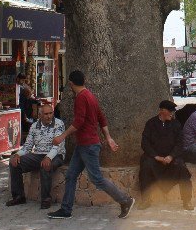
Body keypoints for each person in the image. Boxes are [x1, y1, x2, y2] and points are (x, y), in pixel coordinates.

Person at [47, 70, 135, 220]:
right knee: (71, 175)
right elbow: (102, 118)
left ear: (70, 83)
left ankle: (125, 200)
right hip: (84, 145)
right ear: (84, 81)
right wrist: (108, 138)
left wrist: (62, 136)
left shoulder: (81, 98)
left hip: (88, 145)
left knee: (96, 178)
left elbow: (79, 122)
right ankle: (66, 210)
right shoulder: (91, 96)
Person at [6, 102, 66, 209]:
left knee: (46, 166)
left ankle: (46, 199)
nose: (49, 116)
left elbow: (57, 146)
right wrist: (17, 154)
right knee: (14, 163)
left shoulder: (59, 123)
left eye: (51, 113)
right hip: (38, 154)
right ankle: (18, 196)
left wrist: (48, 157)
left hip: (56, 154)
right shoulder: (34, 126)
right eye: (46, 114)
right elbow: (28, 146)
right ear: (40, 115)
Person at [139, 100, 193, 210]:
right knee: (146, 166)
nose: (172, 114)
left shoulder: (176, 124)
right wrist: (156, 156)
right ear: (162, 111)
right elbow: (145, 143)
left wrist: (171, 156)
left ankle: (187, 201)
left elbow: (180, 143)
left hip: (171, 157)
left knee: (182, 169)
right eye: (170, 111)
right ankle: (146, 199)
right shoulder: (151, 123)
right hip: (154, 157)